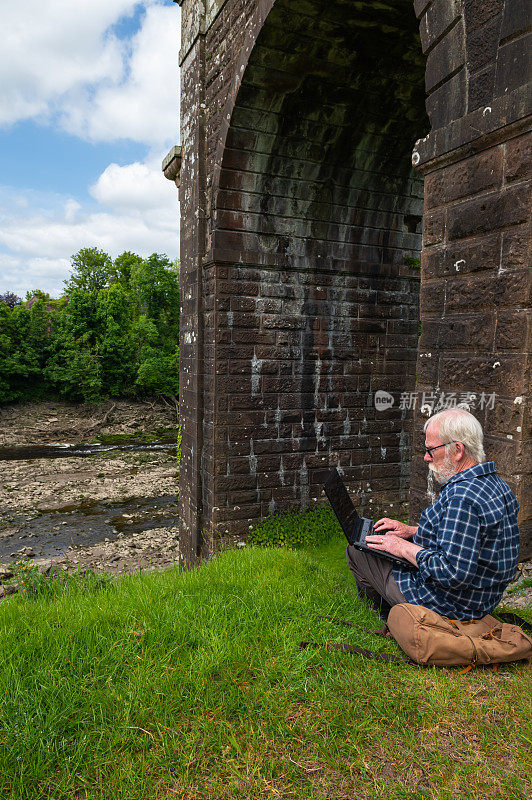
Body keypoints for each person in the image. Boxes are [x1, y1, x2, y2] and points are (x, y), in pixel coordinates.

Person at [346, 407, 520, 621]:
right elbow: (469, 538)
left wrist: (402, 548)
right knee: (376, 543)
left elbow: (454, 573)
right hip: (481, 600)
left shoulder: (461, 498)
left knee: (358, 549)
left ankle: (385, 615)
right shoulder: (496, 484)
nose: (426, 458)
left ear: (457, 450)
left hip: (450, 606)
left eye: (431, 450)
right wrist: (410, 531)